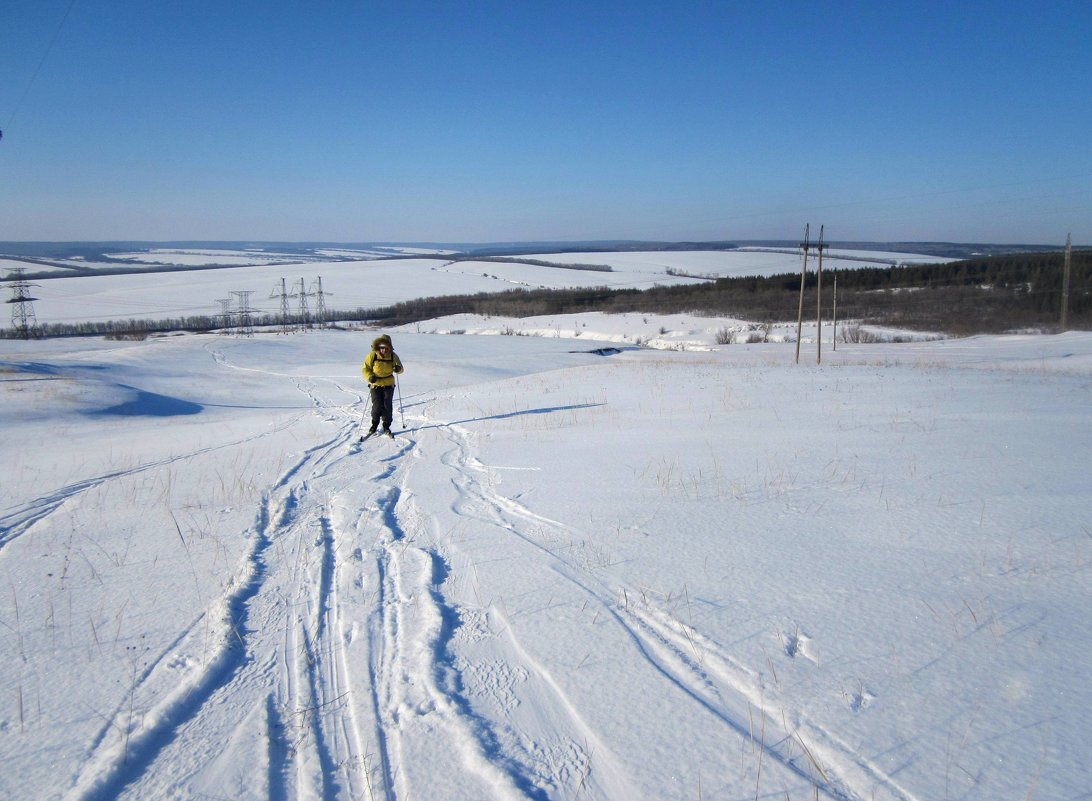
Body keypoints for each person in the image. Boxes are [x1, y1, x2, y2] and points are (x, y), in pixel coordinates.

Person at [361, 334, 403, 438]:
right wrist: (370, 377)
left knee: (387, 406)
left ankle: (386, 426)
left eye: (386, 348)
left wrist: (398, 369)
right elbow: (365, 369)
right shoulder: (372, 355)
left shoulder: (393, 356)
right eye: (381, 347)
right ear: (378, 347)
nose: (383, 350)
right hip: (375, 385)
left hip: (389, 385)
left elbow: (401, 368)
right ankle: (374, 425)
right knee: (376, 406)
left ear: (389, 347)